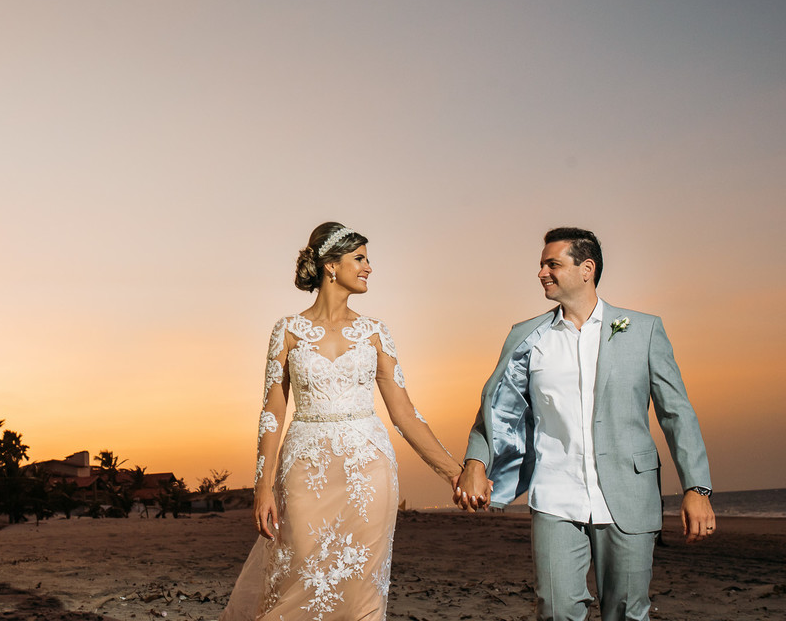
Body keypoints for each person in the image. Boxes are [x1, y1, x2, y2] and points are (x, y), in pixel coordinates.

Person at [457, 227, 715, 621]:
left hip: (629, 494)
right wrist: (475, 464)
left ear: (586, 269)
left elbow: (676, 413)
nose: (542, 272)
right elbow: (496, 409)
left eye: (552, 264)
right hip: (554, 495)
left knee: (627, 612)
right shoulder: (527, 336)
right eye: (541, 264)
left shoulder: (643, 330)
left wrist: (696, 488)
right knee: (556, 610)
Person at [220, 222, 466, 621]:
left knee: (361, 587)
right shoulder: (287, 331)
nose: (369, 267)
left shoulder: (375, 333)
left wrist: (454, 472)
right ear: (330, 266)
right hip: (304, 469)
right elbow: (272, 414)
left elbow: (405, 413)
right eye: (360, 258)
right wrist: (262, 487)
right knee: (300, 576)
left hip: (368, 469)